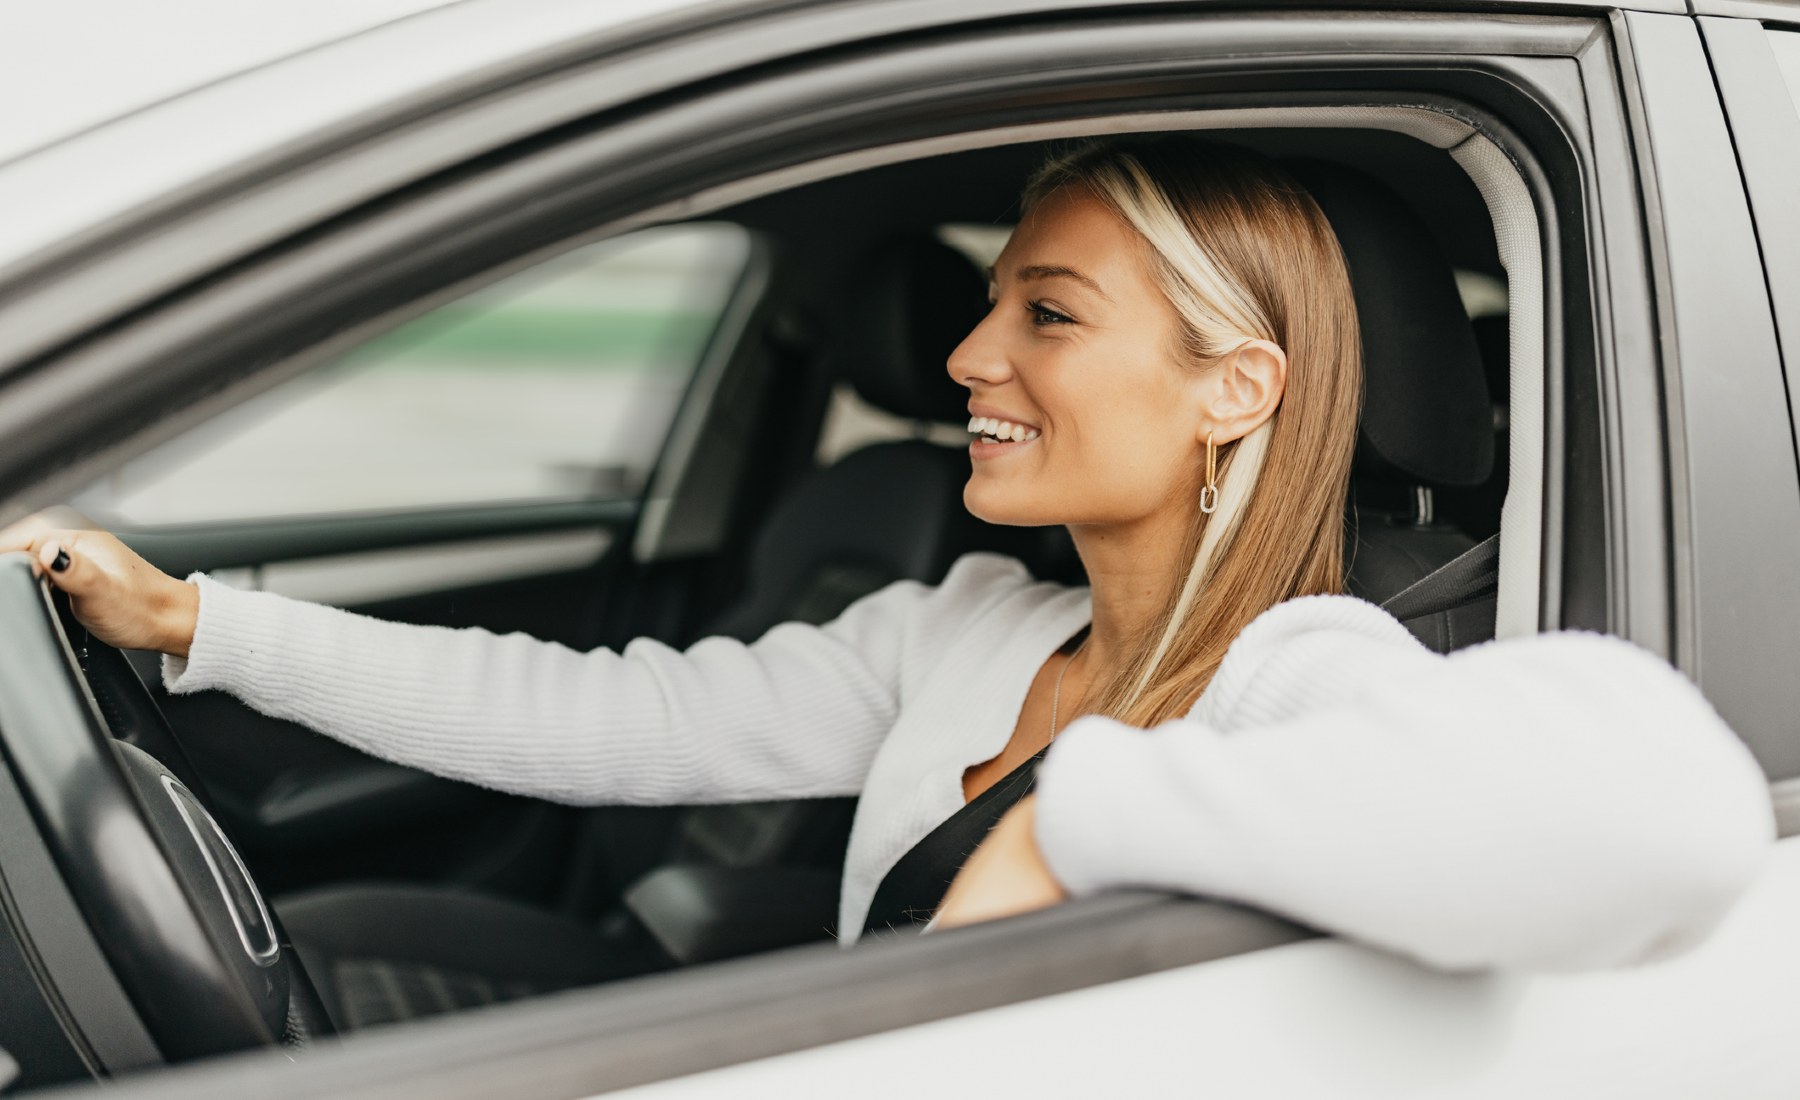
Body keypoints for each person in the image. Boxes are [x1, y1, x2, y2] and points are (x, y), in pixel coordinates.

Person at [1, 138, 1773, 976]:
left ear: (1235, 390)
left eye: (1047, 313)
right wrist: (199, 622)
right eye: (992, 301)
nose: (967, 357)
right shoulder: (963, 625)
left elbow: (1675, 826)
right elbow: (600, 717)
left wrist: (1075, 816)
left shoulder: (1301, 673)